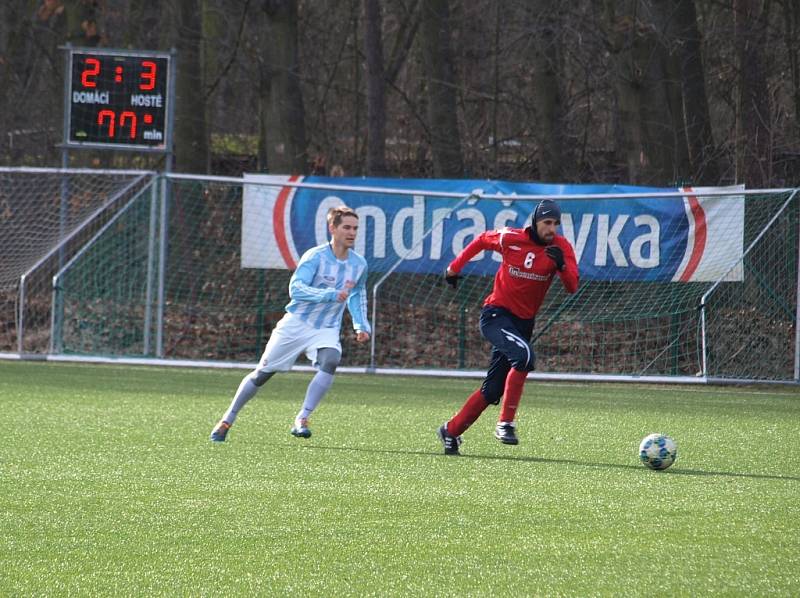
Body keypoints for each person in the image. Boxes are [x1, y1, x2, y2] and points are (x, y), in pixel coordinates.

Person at [210, 205, 371, 442]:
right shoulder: (315, 257)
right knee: (262, 374)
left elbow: (357, 293)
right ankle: (227, 419)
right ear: (332, 228)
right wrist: (327, 294)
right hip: (296, 324)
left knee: (331, 360)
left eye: (355, 228)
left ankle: (302, 418)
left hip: (326, 328)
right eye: (346, 227)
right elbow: (295, 289)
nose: (352, 232)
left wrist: (361, 325)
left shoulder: (359, 264)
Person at [437, 199, 579, 455]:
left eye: (556, 224)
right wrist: (454, 268)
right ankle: (505, 423)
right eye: (547, 223)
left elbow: (572, 287)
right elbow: (481, 240)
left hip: (523, 325)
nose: (552, 229)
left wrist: (562, 266)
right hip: (496, 316)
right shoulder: (509, 238)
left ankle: (450, 431)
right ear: (535, 222)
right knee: (524, 358)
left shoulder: (561, 247)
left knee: (491, 391)